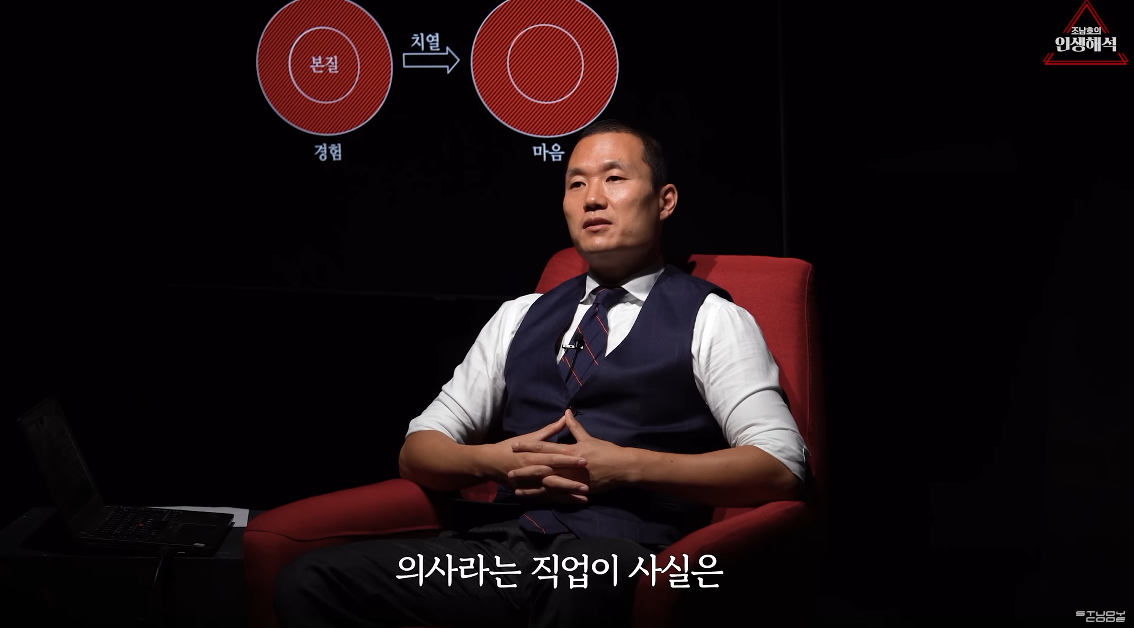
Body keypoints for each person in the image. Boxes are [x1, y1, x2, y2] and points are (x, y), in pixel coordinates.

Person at [273, 120, 809, 627]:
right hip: (504, 551)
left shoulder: (713, 318)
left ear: (664, 200)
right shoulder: (518, 316)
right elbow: (418, 450)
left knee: (581, 580)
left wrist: (628, 466)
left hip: (624, 553)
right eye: (576, 184)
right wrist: (494, 462)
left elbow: (779, 465)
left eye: (614, 179)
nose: (592, 198)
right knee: (310, 580)